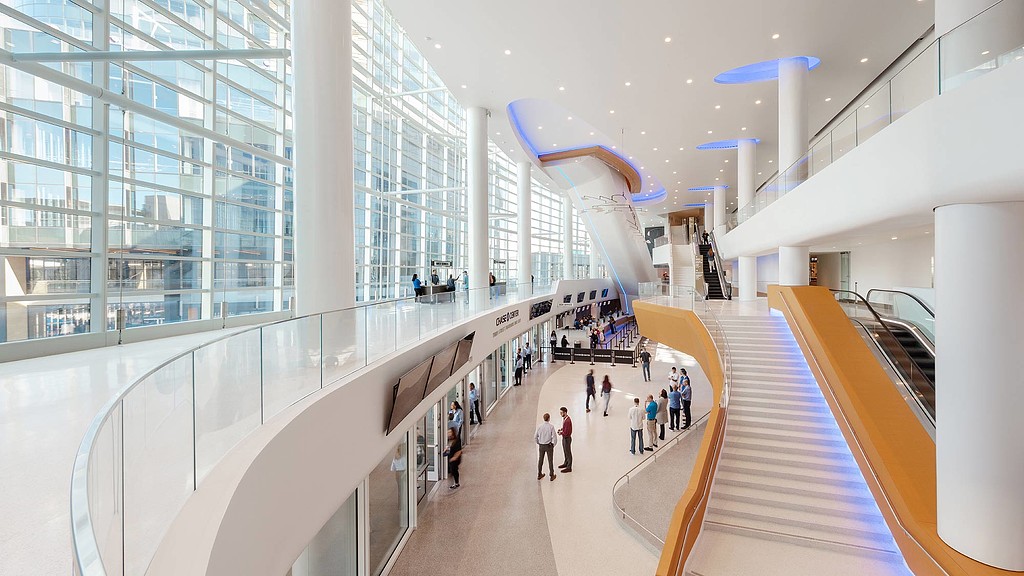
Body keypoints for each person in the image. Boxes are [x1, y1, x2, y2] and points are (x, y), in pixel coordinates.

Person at [535, 412, 557, 481]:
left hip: (541, 446)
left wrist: (538, 442)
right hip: (548, 446)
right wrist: (553, 444)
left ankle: (539, 474)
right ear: (549, 418)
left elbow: (535, 436)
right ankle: (551, 475)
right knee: (550, 460)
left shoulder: (539, 427)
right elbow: (554, 437)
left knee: (540, 460)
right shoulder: (551, 427)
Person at [557, 407, 573, 473]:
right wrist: (561, 429)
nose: (560, 414)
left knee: (568, 452)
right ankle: (566, 463)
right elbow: (565, 429)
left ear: (565, 412)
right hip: (564, 438)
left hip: (567, 438)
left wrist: (561, 433)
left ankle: (569, 467)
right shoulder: (565, 419)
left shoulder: (568, 421)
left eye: (561, 413)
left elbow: (567, 432)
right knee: (565, 451)